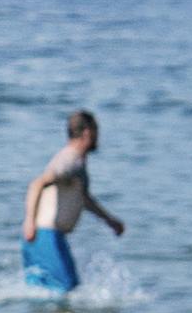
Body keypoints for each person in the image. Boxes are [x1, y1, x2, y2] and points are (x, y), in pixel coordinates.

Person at [21, 111, 124, 300]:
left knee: (46, 297)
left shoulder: (75, 160)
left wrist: (109, 220)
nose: (98, 137)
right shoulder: (71, 160)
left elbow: (83, 199)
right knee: (68, 293)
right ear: (87, 133)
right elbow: (37, 184)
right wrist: (29, 222)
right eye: (96, 131)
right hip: (46, 237)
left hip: (42, 237)